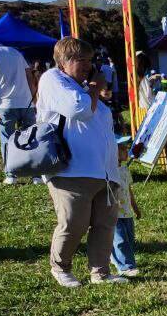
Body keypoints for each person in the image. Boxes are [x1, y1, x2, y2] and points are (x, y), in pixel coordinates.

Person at [37, 38, 127, 287]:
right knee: (73, 223)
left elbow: (98, 120)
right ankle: (61, 266)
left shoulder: (86, 87)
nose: (87, 66)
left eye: (89, 60)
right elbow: (78, 108)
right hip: (71, 170)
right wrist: (96, 88)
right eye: (80, 60)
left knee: (104, 223)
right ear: (63, 62)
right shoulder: (53, 79)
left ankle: (100, 271)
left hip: (104, 171)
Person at [0, 35, 37, 184]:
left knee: (7, 140)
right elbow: (29, 75)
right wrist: (33, 98)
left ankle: (11, 176)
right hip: (26, 102)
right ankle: (36, 174)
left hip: (5, 105)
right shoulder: (15, 52)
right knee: (31, 138)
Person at [108, 134, 140, 278]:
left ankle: (115, 258)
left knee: (129, 238)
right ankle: (126, 267)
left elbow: (129, 190)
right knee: (120, 240)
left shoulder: (125, 170)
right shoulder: (108, 171)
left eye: (126, 148)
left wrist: (135, 207)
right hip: (114, 213)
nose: (126, 151)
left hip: (127, 212)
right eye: (121, 148)